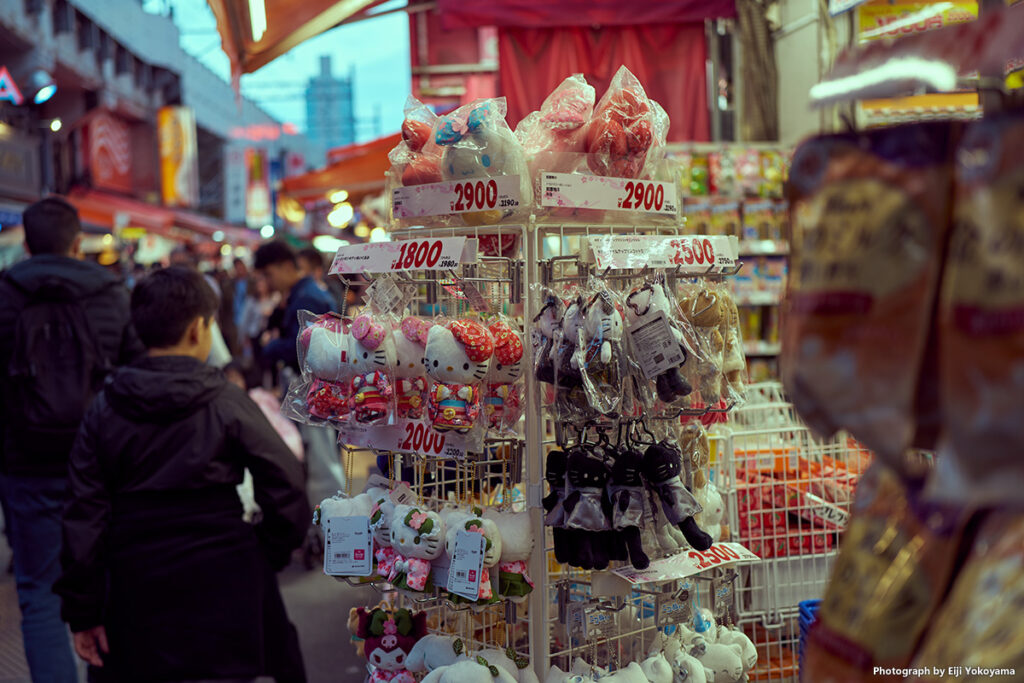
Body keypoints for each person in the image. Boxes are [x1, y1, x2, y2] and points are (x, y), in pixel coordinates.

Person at [55, 267, 310, 683]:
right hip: (225, 580)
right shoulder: (226, 401)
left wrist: (83, 610)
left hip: (132, 587)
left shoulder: (104, 408)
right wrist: (266, 551)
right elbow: (286, 481)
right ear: (198, 329)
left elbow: (82, 514)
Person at [0, 197, 140, 683]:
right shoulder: (112, 293)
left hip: (24, 461)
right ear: (79, 242)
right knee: (109, 580)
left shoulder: (5, 293)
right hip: (99, 460)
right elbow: (133, 373)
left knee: (38, 592)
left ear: (25, 242)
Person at [255, 241, 335, 373]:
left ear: (287, 266)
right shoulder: (302, 293)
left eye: (268, 274)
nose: (267, 281)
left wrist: (271, 345)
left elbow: (302, 348)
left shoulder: (306, 298)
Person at [297, 247, 346, 311]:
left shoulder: (333, 289)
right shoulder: (296, 291)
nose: (299, 274)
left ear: (318, 270)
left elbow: (342, 313)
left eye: (301, 269)